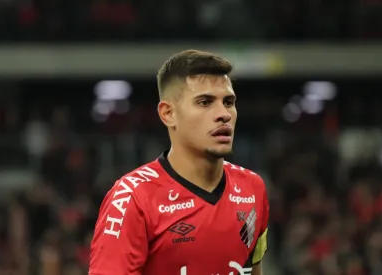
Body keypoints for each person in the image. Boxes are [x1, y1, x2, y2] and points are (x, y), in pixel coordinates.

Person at [89, 50, 269, 275]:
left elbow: (254, 269)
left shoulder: (253, 188)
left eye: (229, 102)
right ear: (168, 114)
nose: (223, 114)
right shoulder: (132, 198)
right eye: (205, 102)